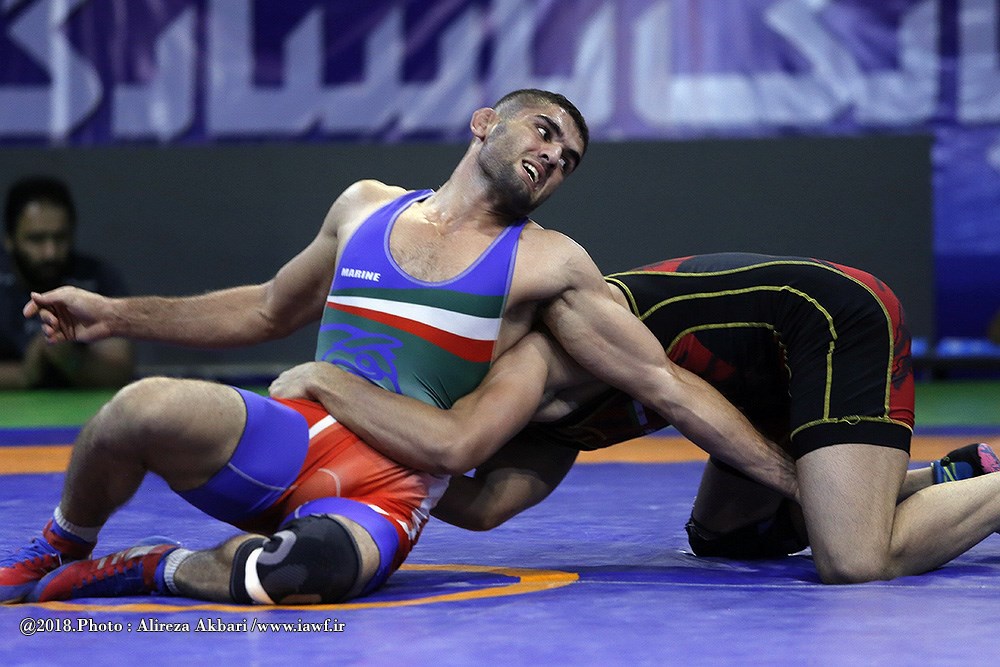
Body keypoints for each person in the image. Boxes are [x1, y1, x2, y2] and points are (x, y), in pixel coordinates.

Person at [0, 90, 794, 605]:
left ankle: (150, 564)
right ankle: (59, 545)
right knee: (135, 408)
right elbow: (268, 308)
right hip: (291, 435)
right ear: (485, 122)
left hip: (388, 487)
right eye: (545, 131)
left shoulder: (549, 262)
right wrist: (114, 314)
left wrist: (792, 482)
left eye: (569, 160)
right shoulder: (364, 207)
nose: (556, 157)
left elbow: (666, 382)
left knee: (298, 574)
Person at [286, 253, 1000, 583]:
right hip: (761, 385)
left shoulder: (545, 348)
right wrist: (376, 473)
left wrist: (327, 384)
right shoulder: (524, 420)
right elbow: (484, 505)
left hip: (827, 319)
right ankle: (946, 478)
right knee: (727, 539)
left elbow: (455, 445)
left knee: (855, 559)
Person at [0, 176, 134, 389]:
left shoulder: (95, 279)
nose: (50, 252)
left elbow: (120, 370)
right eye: (36, 239)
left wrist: (68, 358)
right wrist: (24, 374)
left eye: (60, 237)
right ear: (9, 239)